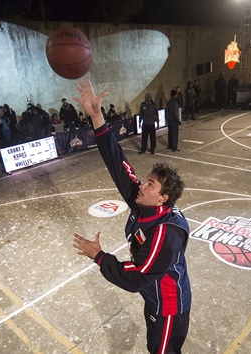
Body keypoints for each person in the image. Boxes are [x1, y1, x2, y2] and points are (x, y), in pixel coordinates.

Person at [72, 79, 191, 354]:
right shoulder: (143, 202)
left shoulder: (166, 232)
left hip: (168, 306)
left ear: (163, 198)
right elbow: (117, 162)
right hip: (153, 296)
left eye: (150, 185)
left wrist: (99, 257)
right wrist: (97, 117)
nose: (142, 185)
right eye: (146, 180)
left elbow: (137, 276)